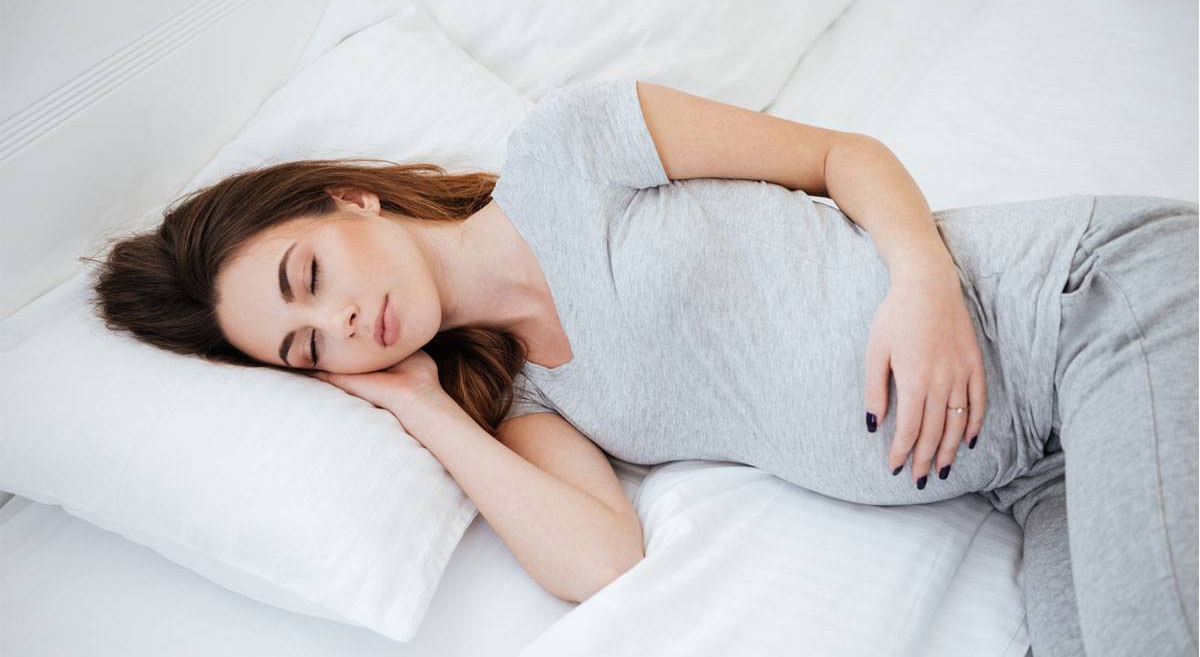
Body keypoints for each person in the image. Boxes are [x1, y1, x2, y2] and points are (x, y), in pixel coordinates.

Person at [90, 80, 1198, 653]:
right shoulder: (529, 399)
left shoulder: (567, 147)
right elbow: (606, 560)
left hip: (1088, 303)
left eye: (310, 276)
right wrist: (425, 410)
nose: (341, 322)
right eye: (309, 348)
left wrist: (922, 284)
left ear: (349, 200)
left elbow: (838, 154)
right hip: (1029, 472)